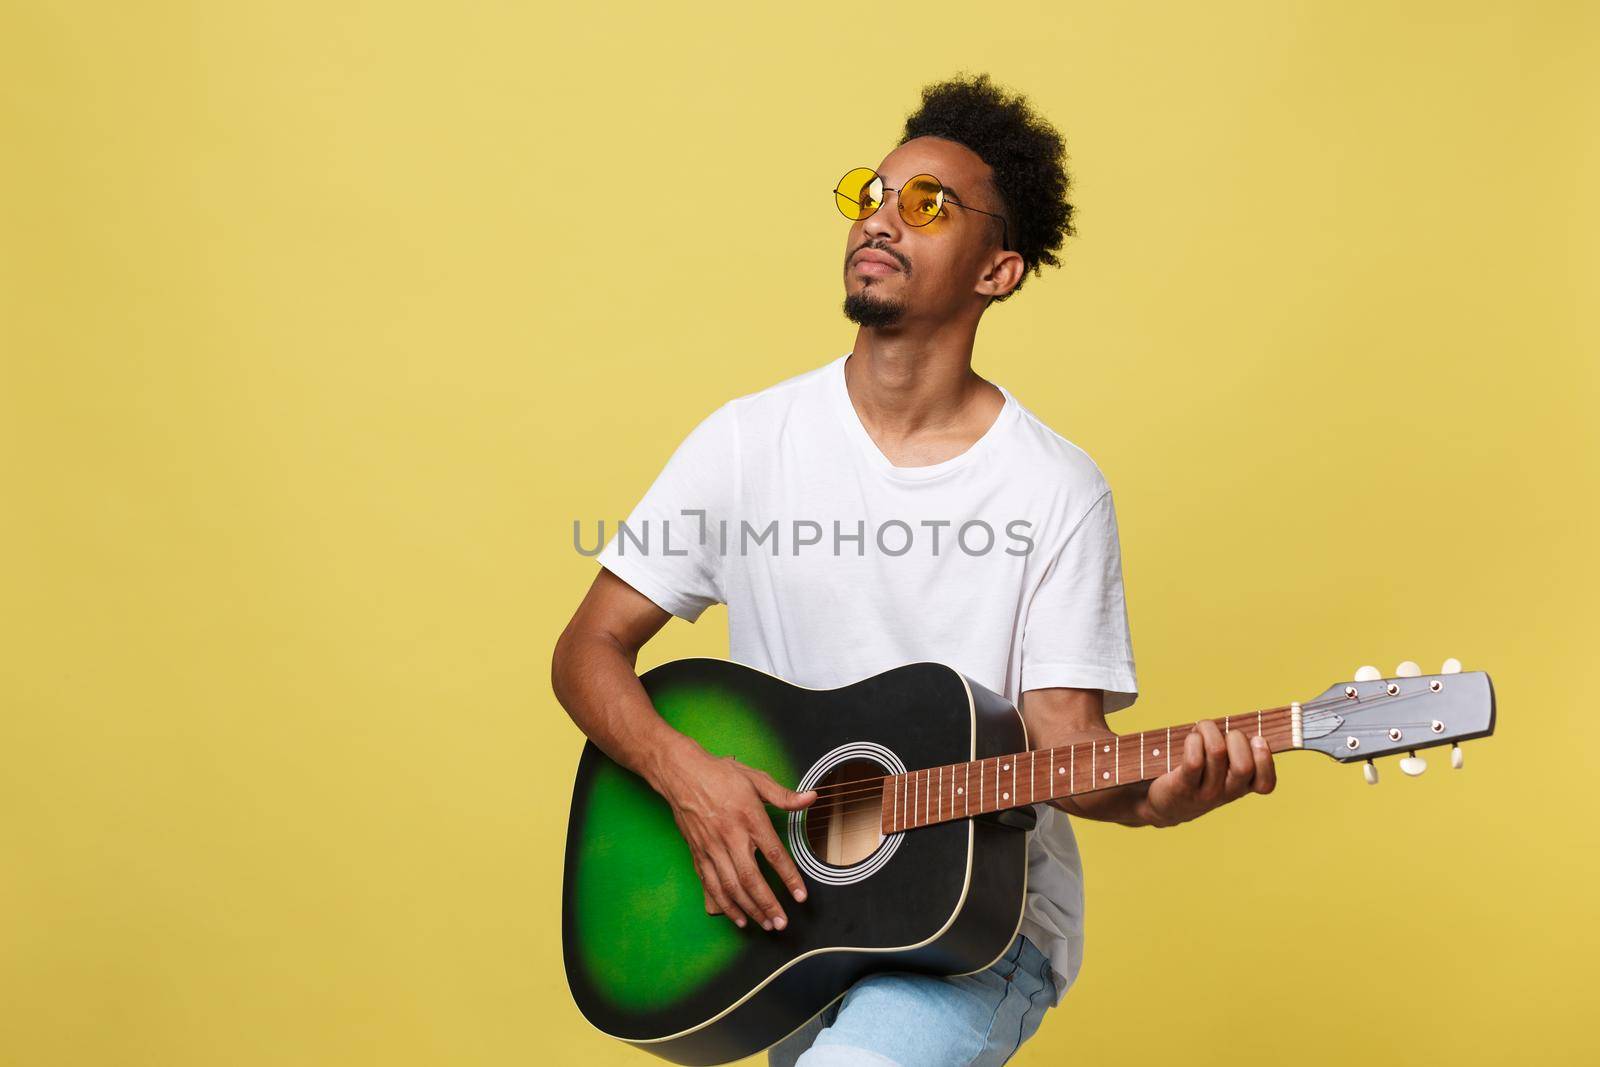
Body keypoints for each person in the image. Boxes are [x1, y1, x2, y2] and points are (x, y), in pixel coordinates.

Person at [551, 71, 1276, 1067]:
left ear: (997, 271)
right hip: (789, 914)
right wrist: (689, 777)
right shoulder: (746, 442)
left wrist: (1163, 793)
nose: (881, 219)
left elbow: (1068, 747)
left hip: (973, 930)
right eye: (873, 194)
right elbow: (587, 648)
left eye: (929, 204)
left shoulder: (1056, 489)